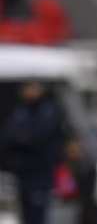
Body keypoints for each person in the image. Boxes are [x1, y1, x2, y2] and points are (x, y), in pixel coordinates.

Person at [1, 82, 63, 224]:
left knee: (37, 216)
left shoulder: (48, 110)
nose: (26, 91)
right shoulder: (21, 111)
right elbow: (6, 138)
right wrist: (22, 137)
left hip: (39, 174)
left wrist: (22, 137)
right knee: (25, 216)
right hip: (22, 173)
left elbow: (38, 139)